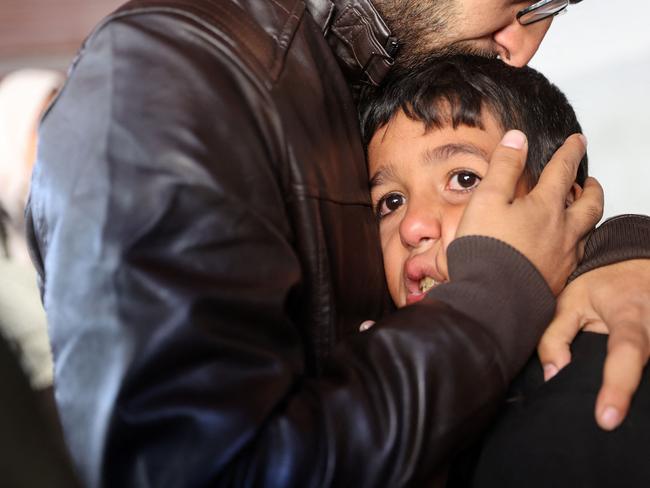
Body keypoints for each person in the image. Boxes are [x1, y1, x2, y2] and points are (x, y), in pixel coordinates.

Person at [26, 0, 650, 486]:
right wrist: (500, 291)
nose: (520, 48)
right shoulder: (170, 71)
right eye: (524, 3)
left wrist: (604, 254)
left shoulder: (335, 86)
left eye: (462, 180)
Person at [359, 54, 650, 487]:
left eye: (463, 179)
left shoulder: (588, 383)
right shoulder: (367, 392)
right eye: (391, 202)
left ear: (562, 205)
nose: (412, 225)